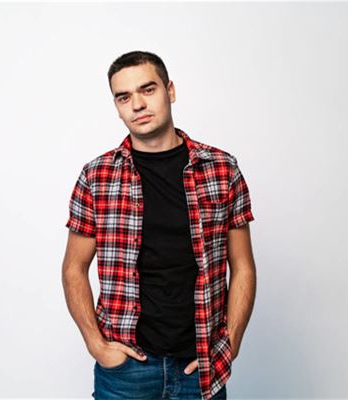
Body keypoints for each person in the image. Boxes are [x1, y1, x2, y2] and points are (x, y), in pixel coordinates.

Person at [61, 50, 257, 400]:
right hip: (126, 372)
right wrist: (96, 344)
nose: (137, 104)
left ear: (170, 91)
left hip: (200, 368)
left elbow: (242, 266)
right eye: (124, 97)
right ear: (117, 106)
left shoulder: (221, 169)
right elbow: (73, 268)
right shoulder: (97, 176)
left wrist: (230, 344)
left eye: (147, 89)